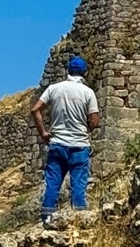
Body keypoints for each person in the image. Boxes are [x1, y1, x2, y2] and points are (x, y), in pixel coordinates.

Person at [31, 55, 100, 223]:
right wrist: (86, 129)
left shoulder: (54, 88)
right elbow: (95, 120)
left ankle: (47, 219)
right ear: (85, 73)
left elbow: (35, 110)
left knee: (53, 185)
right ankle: (78, 219)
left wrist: (43, 133)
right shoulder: (88, 92)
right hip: (79, 146)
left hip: (57, 145)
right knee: (78, 186)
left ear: (67, 71)